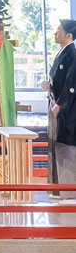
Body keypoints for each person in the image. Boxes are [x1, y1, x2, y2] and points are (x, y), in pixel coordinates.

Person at [49, 19, 76, 200]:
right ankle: (59, 189)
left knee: (67, 149)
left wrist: (60, 104)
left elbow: (71, 83)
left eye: (59, 30)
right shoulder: (62, 53)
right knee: (57, 147)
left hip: (67, 109)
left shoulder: (72, 54)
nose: (55, 33)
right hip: (55, 105)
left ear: (69, 35)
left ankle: (69, 192)